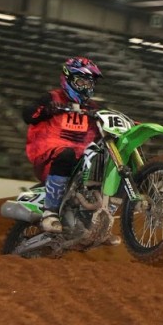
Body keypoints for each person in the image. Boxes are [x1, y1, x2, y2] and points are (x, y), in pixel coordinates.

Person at [23, 56, 102, 233]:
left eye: (89, 83)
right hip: (49, 156)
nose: (86, 87)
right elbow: (28, 114)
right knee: (66, 153)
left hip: (80, 160)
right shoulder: (52, 97)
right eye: (81, 81)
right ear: (68, 79)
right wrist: (46, 109)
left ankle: (96, 222)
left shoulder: (93, 107)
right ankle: (49, 212)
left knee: (103, 157)